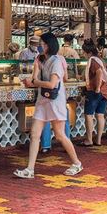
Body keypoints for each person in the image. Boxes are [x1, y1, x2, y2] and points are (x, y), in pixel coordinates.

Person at [14, 32, 83, 178]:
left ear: (49, 45)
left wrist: (35, 82)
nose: (40, 46)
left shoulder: (56, 61)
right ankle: (30, 169)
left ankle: (77, 163)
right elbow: (34, 78)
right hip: (42, 101)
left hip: (55, 101)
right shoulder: (40, 59)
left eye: (42, 44)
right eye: (40, 44)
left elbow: (52, 84)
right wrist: (36, 70)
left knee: (59, 135)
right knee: (34, 134)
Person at [80, 39, 107, 146]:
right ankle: (98, 140)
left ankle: (89, 140)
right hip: (105, 92)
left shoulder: (93, 61)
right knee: (100, 115)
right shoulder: (100, 59)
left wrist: (97, 87)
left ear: (89, 52)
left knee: (88, 115)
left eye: (84, 52)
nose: (83, 54)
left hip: (95, 91)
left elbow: (98, 72)